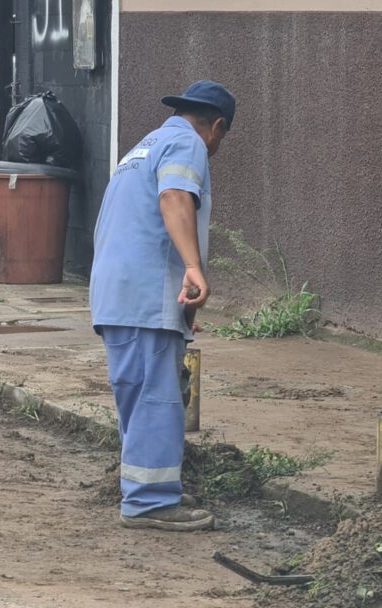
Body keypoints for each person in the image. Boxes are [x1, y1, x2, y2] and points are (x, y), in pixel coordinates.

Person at [89, 80, 236, 531]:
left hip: (117, 291)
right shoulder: (186, 142)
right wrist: (193, 267)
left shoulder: (144, 145)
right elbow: (174, 197)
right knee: (155, 398)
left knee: (140, 394)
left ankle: (148, 486)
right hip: (145, 292)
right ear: (216, 127)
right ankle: (150, 501)